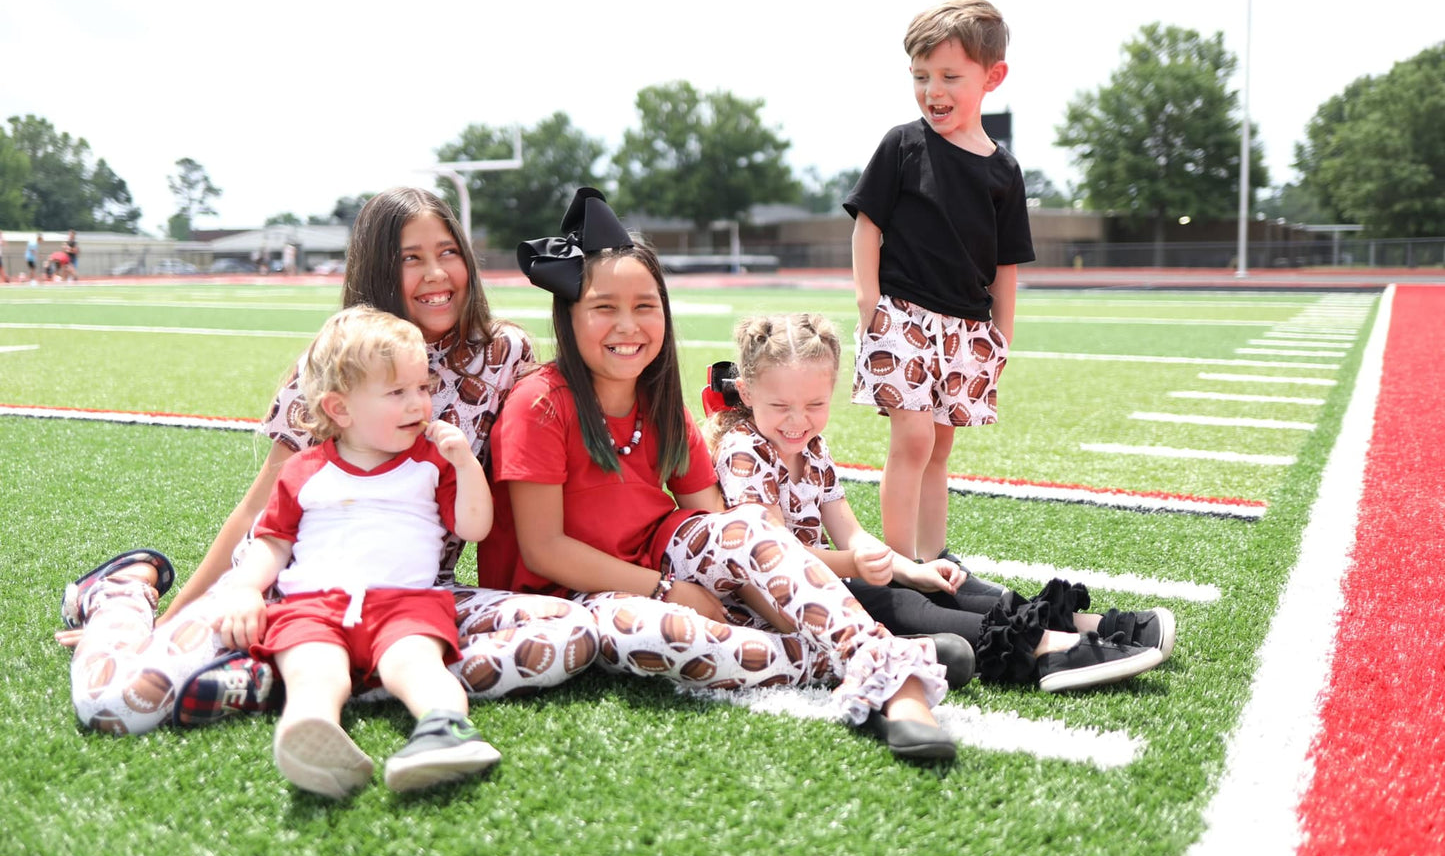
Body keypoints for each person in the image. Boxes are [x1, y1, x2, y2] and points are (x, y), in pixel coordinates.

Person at [57, 186, 598, 738]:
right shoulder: (334, 361)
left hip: (416, 599)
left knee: (572, 633)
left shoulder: (502, 352)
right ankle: (121, 593)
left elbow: (552, 441)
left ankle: (277, 678)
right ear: (379, 269)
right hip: (291, 592)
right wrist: (172, 624)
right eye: (411, 258)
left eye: (448, 251)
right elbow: (258, 513)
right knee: (118, 705)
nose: (437, 273)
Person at [489, 187, 955, 762]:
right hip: (573, 600)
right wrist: (669, 591)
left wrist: (735, 577)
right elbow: (543, 550)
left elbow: (714, 520)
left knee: (744, 532)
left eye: (646, 305)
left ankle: (895, 676)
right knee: (647, 630)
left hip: (662, 555)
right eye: (604, 307)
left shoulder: (661, 402)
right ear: (570, 314)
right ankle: (850, 654)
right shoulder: (539, 402)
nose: (628, 325)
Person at [703, 314, 1172, 691]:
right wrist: (858, 564)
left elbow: (850, 532)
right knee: (899, 602)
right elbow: (774, 554)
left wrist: (912, 567)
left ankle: (1089, 625)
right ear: (746, 393)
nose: (797, 421)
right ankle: (1051, 650)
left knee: (942, 584)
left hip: (827, 580)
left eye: (814, 405)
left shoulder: (813, 450)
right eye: (781, 406)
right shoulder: (744, 451)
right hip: (781, 603)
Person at [218, 306, 500, 797]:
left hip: (404, 604)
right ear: (340, 409)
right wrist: (244, 589)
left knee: (414, 665)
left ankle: (444, 730)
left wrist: (465, 463)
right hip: (313, 606)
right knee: (311, 667)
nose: (418, 404)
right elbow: (273, 542)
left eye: (423, 389)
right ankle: (311, 730)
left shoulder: (431, 462)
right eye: (397, 392)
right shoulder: (305, 471)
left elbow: (474, 527)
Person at [848, 0, 1030, 570]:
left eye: (951, 76)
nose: (934, 91)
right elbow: (867, 226)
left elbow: (1005, 264)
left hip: (967, 328)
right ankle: (899, 565)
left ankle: (935, 556)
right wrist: (868, 303)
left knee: (941, 443)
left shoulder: (1003, 170)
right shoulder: (902, 144)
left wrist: (1001, 335)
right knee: (914, 439)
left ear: (992, 77)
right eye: (921, 77)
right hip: (901, 316)